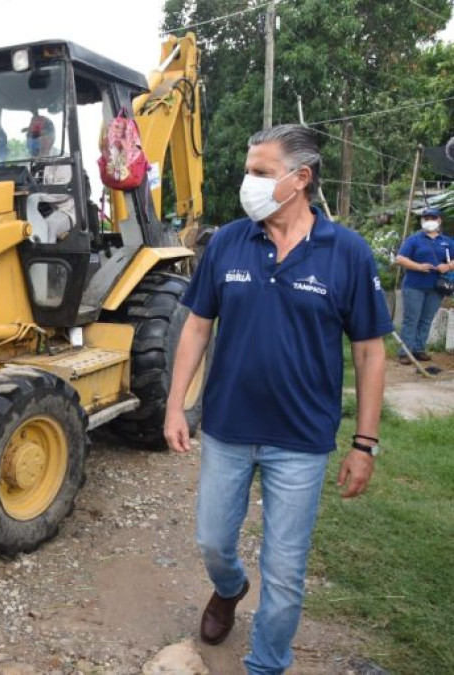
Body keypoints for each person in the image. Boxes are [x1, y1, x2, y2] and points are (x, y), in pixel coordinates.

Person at [164, 124, 391, 675]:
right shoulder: (228, 243)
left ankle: (266, 664)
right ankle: (230, 587)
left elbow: (369, 352)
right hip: (228, 429)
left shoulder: (347, 253)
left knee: (286, 572)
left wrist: (364, 443)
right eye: (250, 171)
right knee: (213, 541)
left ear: (301, 179)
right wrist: (175, 405)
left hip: (301, 441)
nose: (249, 183)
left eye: (261, 173)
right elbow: (196, 328)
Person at [394, 206, 453, 364]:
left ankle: (419, 349)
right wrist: (419, 267)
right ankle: (404, 352)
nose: (429, 221)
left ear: (439, 220)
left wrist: (447, 266)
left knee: (427, 319)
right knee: (411, 319)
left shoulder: (447, 241)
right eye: (426, 218)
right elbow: (400, 258)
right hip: (414, 285)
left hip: (437, 287)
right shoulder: (414, 239)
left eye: (432, 218)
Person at [26, 115, 74, 242]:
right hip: (33, 210)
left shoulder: (63, 159)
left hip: (62, 210)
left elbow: (63, 192)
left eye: (34, 136)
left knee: (49, 226)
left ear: (49, 138)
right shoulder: (26, 162)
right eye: (29, 135)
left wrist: (38, 196)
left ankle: (46, 261)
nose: (29, 139)